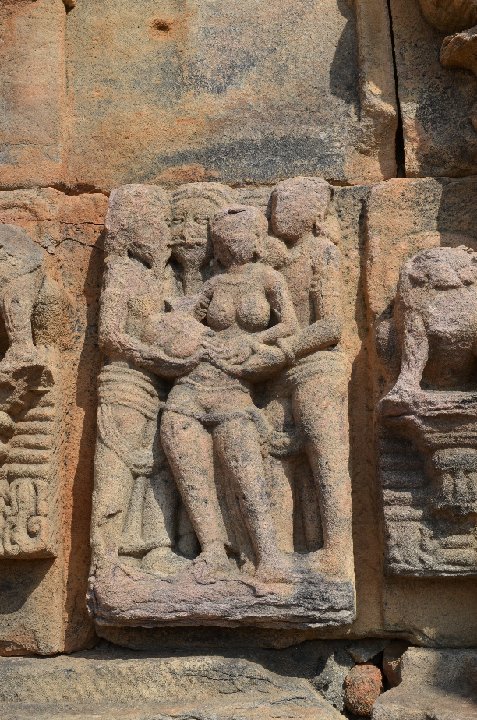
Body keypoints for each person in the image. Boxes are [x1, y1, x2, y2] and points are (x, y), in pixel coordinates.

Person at [160, 205, 299, 581]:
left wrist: (254, 341)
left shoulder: (269, 278)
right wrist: (194, 339)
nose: (232, 244)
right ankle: (211, 551)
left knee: (244, 468)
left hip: (234, 387)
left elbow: (289, 324)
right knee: (188, 464)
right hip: (194, 383)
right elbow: (183, 322)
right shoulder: (213, 285)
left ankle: (268, 555)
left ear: (256, 240)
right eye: (223, 239)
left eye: (239, 236)